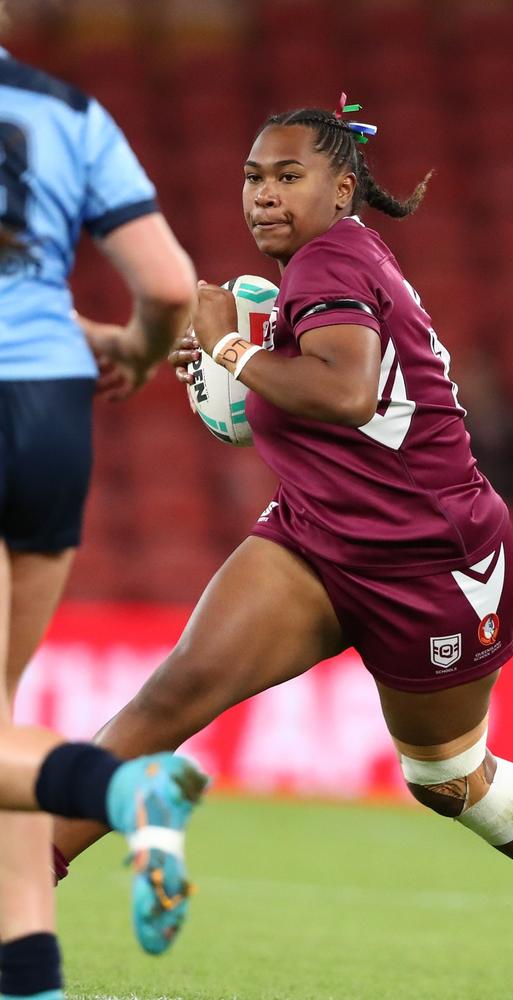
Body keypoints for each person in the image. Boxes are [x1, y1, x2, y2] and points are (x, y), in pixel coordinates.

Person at [52, 97, 513, 999]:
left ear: (344, 188)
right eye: (254, 177)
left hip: (435, 564)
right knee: (168, 700)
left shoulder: (331, 259)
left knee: (445, 777)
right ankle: (21, 896)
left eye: (291, 177)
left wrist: (229, 352)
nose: (265, 196)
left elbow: (347, 393)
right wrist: (232, 378)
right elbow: (313, 406)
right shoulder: (320, 272)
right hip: (316, 540)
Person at [0, 30, 205, 1000]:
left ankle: (121, 786)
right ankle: (28, 979)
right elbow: (169, 284)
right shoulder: (71, 112)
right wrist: (135, 345)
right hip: (49, 405)